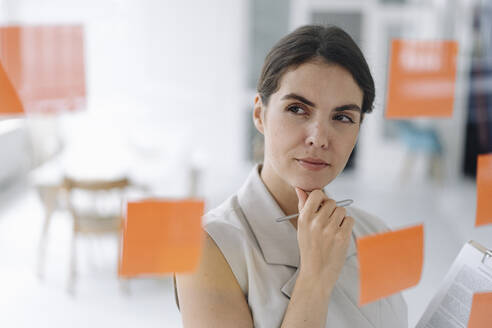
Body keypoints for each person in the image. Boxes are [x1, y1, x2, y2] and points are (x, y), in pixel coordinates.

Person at [174, 25, 408, 328]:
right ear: (260, 114)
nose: (319, 138)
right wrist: (314, 279)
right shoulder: (206, 247)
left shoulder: (375, 231)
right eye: (297, 109)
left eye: (342, 117)